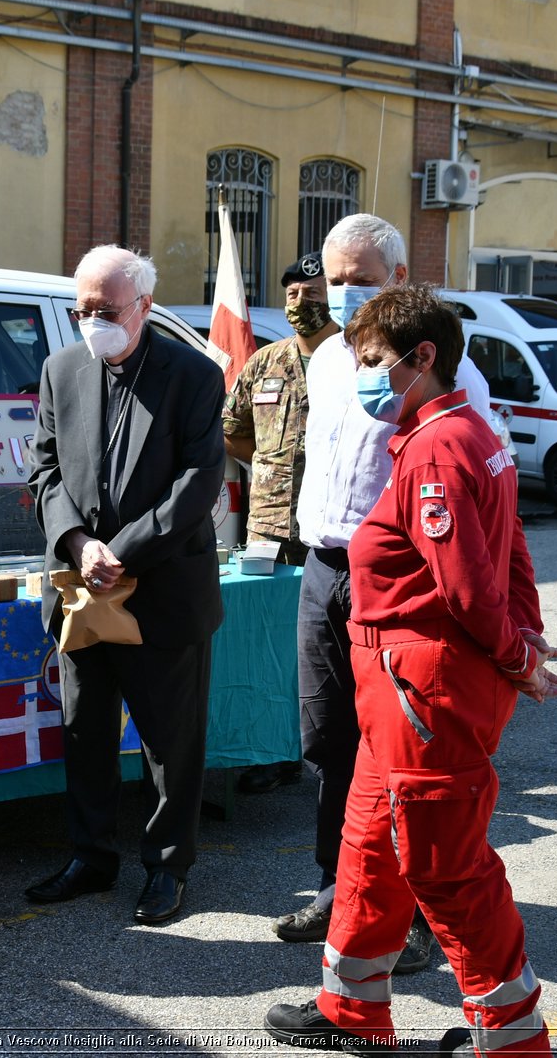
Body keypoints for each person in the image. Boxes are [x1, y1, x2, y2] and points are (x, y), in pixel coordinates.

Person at [264, 283, 557, 1057]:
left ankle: (512, 1037)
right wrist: (524, 637)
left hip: (419, 689)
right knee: (369, 842)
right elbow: (513, 548)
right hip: (400, 690)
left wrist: (518, 652)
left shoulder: (435, 445)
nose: (364, 374)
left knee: (444, 867)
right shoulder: (470, 431)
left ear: (422, 357)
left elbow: (468, 583)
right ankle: (352, 1010)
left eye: (372, 360)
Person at [271, 213, 490, 959]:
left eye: (359, 279)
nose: (341, 292)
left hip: (397, 585)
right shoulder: (330, 357)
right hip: (324, 568)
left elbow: (470, 488)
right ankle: (341, 890)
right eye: (334, 278)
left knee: (398, 752)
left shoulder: (449, 369)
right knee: (327, 740)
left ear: (399, 278)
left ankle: (417, 913)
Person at [25, 244, 225, 926]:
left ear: (143, 306)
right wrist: (79, 544)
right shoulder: (61, 369)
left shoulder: (193, 374)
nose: (91, 321)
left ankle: (168, 866)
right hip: (82, 591)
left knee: (169, 739)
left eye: (105, 310)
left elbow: (199, 483)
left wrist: (126, 550)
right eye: (81, 309)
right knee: (84, 730)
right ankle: (90, 854)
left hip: (161, 589)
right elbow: (45, 469)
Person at [224, 251, 336, 795]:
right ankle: (275, 751)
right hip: (268, 528)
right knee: (267, 642)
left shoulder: (356, 360)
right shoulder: (264, 362)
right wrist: (268, 465)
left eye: (313, 293)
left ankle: (333, 747)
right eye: (292, 293)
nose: (301, 302)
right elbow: (231, 428)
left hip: (330, 528)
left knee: (327, 644)